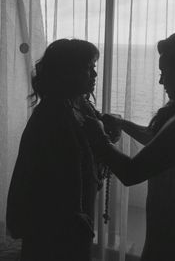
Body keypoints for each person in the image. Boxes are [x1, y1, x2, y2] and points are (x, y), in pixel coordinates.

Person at [84, 31, 175, 261]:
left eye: (164, 72)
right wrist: (122, 124)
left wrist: (98, 136)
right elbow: (156, 139)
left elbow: (131, 173)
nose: (161, 81)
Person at [6, 39, 120, 261]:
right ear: (68, 72)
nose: (95, 75)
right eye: (89, 68)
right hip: (55, 222)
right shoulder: (53, 115)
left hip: (76, 216)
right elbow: (53, 179)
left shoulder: (80, 105)